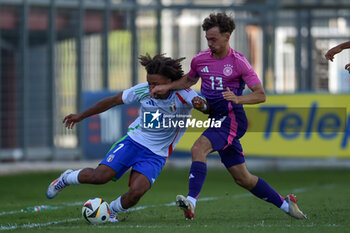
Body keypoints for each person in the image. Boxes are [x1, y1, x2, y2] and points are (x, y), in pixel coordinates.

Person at [151, 12, 307, 220]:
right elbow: (188, 81)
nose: (210, 43)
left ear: (227, 36)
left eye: (214, 39)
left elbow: (260, 95)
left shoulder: (239, 62)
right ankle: (287, 206)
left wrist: (238, 99)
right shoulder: (200, 59)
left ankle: (191, 202)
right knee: (243, 178)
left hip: (232, 118)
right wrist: (167, 86)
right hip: (216, 118)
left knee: (198, 148)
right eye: (207, 39)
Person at [46, 53, 209, 223]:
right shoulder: (143, 90)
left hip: (157, 154)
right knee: (100, 177)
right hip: (133, 142)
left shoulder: (185, 94)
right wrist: (81, 116)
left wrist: (202, 105)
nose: (152, 88)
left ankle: (111, 211)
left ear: (170, 81)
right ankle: (66, 178)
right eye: (150, 83)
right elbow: (113, 101)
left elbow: (206, 106)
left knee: (137, 192)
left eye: (156, 84)